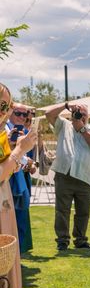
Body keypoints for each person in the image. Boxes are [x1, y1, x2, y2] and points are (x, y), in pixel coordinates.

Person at [0, 83, 38, 288]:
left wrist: (19, 156)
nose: (4, 112)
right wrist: (20, 150)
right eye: (2, 106)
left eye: (6, 107)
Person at [45, 103, 90, 251]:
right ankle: (62, 241)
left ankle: (81, 240)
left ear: (88, 116)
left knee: (83, 212)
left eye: (83, 114)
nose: (80, 116)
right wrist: (66, 105)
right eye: (78, 113)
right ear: (71, 113)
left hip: (85, 176)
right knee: (62, 211)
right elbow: (48, 114)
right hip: (64, 174)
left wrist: (82, 129)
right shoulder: (64, 125)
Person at [6, 105, 35, 254]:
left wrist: (29, 162)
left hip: (19, 176)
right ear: (10, 112)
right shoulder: (5, 128)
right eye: (18, 113)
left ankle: (17, 255)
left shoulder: (23, 130)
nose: (22, 117)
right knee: (11, 219)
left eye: (26, 115)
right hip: (9, 178)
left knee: (21, 216)